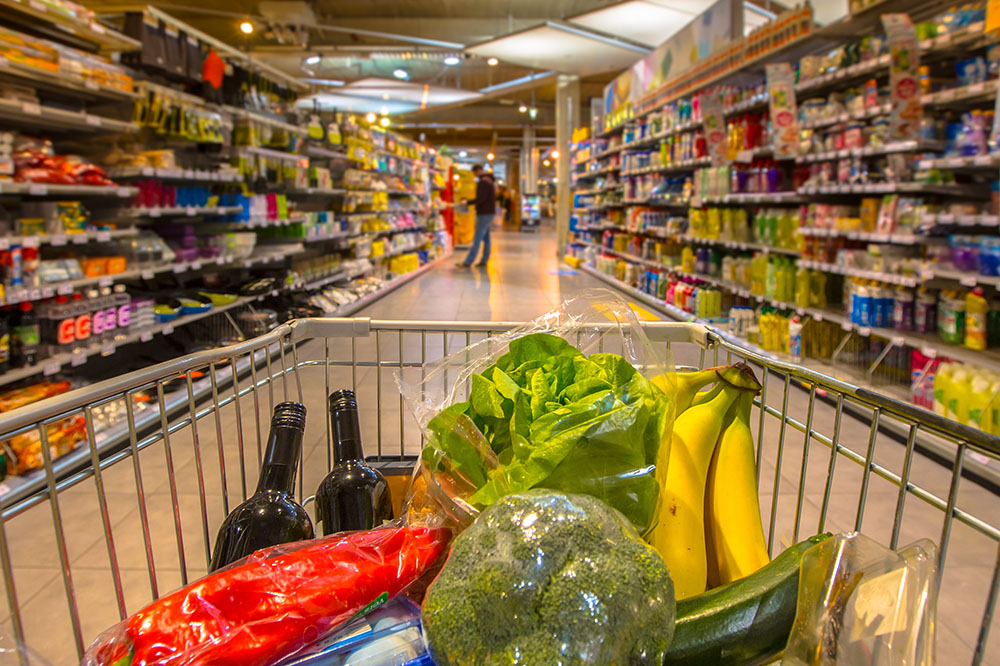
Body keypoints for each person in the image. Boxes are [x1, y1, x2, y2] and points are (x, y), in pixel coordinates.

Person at [458, 164, 496, 268]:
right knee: (486, 238)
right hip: (489, 212)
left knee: (477, 238)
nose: (474, 175)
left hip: (484, 213)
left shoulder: (483, 182)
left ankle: (468, 262)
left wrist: (467, 202)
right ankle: (484, 260)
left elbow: (481, 199)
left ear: (479, 170)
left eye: (474, 173)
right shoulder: (489, 180)